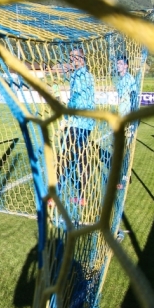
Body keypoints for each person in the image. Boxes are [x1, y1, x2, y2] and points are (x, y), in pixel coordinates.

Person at [60, 46, 95, 207]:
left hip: (78, 123)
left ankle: (55, 194)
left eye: (74, 58)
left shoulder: (81, 76)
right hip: (85, 123)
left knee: (65, 157)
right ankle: (83, 197)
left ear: (82, 58)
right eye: (70, 57)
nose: (72, 60)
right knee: (81, 158)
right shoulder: (84, 75)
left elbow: (76, 100)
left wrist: (65, 118)